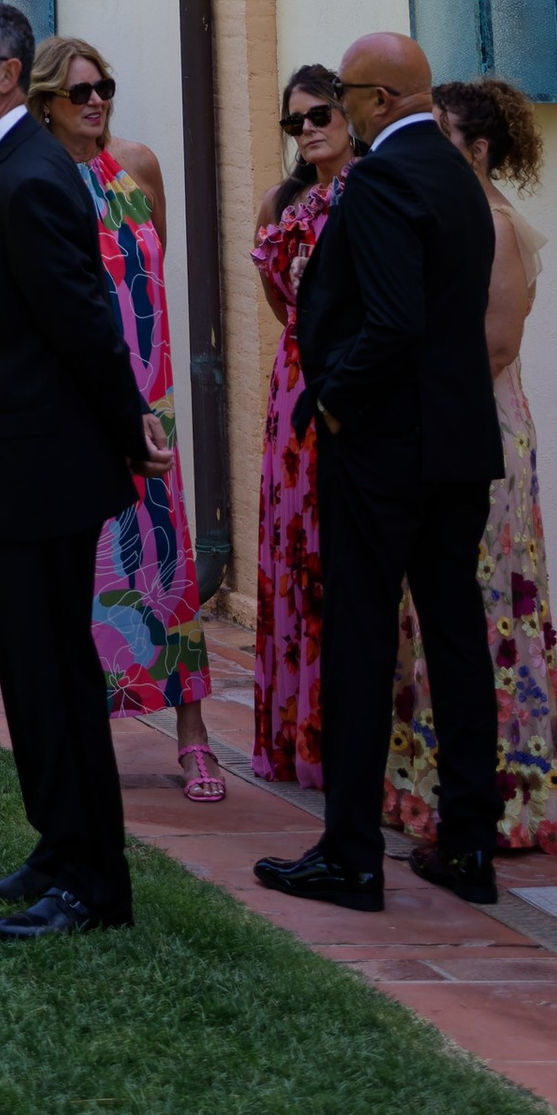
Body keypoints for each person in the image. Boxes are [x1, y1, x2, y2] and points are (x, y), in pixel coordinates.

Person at [0, 0, 167, 940]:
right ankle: (59, 848)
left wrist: (129, 427)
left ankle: (95, 880)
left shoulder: (30, 175)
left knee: (56, 677)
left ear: (6, 73)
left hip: (42, 470)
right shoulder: (4, 164)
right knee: (31, 676)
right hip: (10, 467)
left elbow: (84, 323)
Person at [256, 31, 504, 914]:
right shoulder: (459, 178)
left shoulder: (383, 180)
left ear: (381, 100)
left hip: (385, 448)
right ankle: (469, 843)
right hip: (457, 447)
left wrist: (331, 400)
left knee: (360, 641)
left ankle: (351, 855)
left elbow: (393, 321)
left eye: (350, 92)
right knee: (456, 638)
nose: (345, 107)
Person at [386, 79, 557, 855]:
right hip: (456, 425)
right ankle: (438, 785)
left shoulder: (494, 225)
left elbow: (494, 346)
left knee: (486, 603)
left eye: (441, 134)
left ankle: (504, 795)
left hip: (483, 433)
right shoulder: (454, 216)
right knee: (445, 606)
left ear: (477, 148)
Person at [28, 35, 221, 804]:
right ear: (46, 103)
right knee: (88, 566)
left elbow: (151, 263)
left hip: (149, 398)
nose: (96, 101)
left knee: (164, 558)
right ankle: (85, 738)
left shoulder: (138, 165)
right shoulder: (31, 179)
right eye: (79, 91)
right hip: (73, 401)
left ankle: (193, 734)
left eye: (103, 86)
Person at [249, 63, 357, 791]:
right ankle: (296, 734)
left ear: (349, 115)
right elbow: (279, 302)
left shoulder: (370, 192)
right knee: (294, 549)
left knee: (338, 549)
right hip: (294, 382)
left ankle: (345, 737)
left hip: (347, 385)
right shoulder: (282, 203)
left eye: (321, 115)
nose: (309, 130)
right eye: (296, 122)